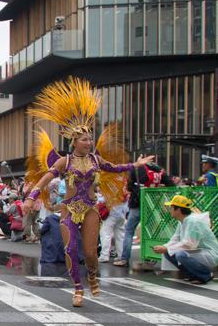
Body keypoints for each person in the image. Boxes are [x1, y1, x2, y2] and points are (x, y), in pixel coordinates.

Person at [23, 77, 153, 307]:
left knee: (90, 253)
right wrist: (32, 197)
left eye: (91, 138)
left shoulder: (96, 159)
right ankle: (78, 288)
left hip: (91, 208)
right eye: (85, 139)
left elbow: (115, 168)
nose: (89, 142)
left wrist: (136, 164)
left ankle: (92, 276)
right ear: (74, 141)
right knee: (71, 250)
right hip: (69, 208)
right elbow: (44, 179)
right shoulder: (65, 161)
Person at [152, 195, 218, 284]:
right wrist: (164, 247)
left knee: (180, 254)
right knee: (168, 253)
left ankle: (205, 274)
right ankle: (192, 275)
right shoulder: (182, 221)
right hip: (200, 252)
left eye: (171, 208)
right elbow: (175, 239)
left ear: (178, 210)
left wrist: (166, 248)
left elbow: (189, 244)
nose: (170, 210)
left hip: (210, 254)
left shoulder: (193, 221)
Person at [117, 163, 175, 267]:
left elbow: (129, 187)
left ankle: (124, 259)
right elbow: (171, 184)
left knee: (129, 231)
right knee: (148, 233)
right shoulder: (160, 170)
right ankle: (147, 258)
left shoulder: (138, 169)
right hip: (152, 204)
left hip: (137, 203)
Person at [98, 197, 127, 263]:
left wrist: (99, 199)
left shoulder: (112, 188)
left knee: (106, 234)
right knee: (120, 236)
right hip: (121, 213)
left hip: (111, 213)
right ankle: (121, 255)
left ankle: (104, 255)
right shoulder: (124, 188)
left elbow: (105, 199)